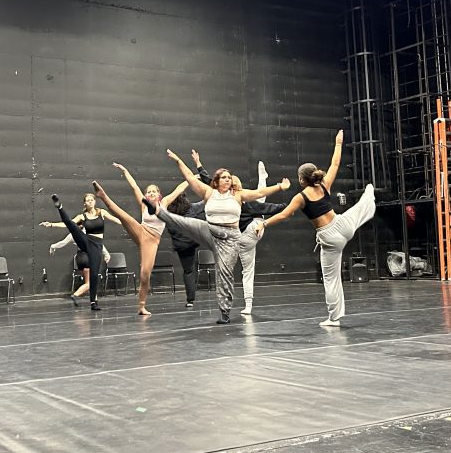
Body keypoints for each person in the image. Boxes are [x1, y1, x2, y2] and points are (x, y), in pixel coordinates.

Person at [145, 149, 290, 324]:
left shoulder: (238, 195)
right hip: (210, 230)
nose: (228, 179)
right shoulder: (209, 192)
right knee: (185, 223)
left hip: (230, 238)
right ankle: (158, 211)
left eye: (229, 177)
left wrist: (280, 187)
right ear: (217, 180)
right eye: (224, 177)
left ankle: (225, 312)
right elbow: (191, 178)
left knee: (224, 274)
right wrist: (178, 161)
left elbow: (259, 194)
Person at [255, 130, 376, 327]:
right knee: (358, 210)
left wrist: (264, 223)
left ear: (302, 180)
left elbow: (285, 214)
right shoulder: (324, 185)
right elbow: (335, 164)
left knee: (331, 279)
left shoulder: (301, 197)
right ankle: (369, 198)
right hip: (342, 226)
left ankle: (333, 318)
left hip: (329, 237)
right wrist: (338, 143)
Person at [191, 150, 287, 315]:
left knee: (245, 270)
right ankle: (262, 180)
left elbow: (210, 181)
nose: (228, 182)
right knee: (260, 203)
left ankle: (247, 305)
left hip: (245, 234)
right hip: (248, 233)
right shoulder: (240, 200)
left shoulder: (227, 197)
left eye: (230, 181)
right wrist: (289, 206)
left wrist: (199, 165)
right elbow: (265, 203)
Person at [90, 164, 186, 316]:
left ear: (159, 194)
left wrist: (192, 178)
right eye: (148, 192)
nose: (151, 193)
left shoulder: (165, 203)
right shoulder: (144, 204)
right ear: (146, 195)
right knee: (123, 216)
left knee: (145, 274)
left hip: (152, 240)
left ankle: (141, 306)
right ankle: (103, 196)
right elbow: (134, 186)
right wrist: (125, 171)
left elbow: (179, 189)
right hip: (140, 231)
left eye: (154, 191)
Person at [40, 193, 118, 307]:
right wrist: (51, 224)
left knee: (94, 276)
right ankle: (60, 207)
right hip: (86, 247)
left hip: (90, 250)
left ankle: (93, 302)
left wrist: (129, 224)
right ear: (85, 203)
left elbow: (116, 219)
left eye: (92, 199)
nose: (90, 201)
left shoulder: (101, 213)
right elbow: (69, 224)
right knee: (72, 226)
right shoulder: (83, 220)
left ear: (95, 201)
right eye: (88, 200)